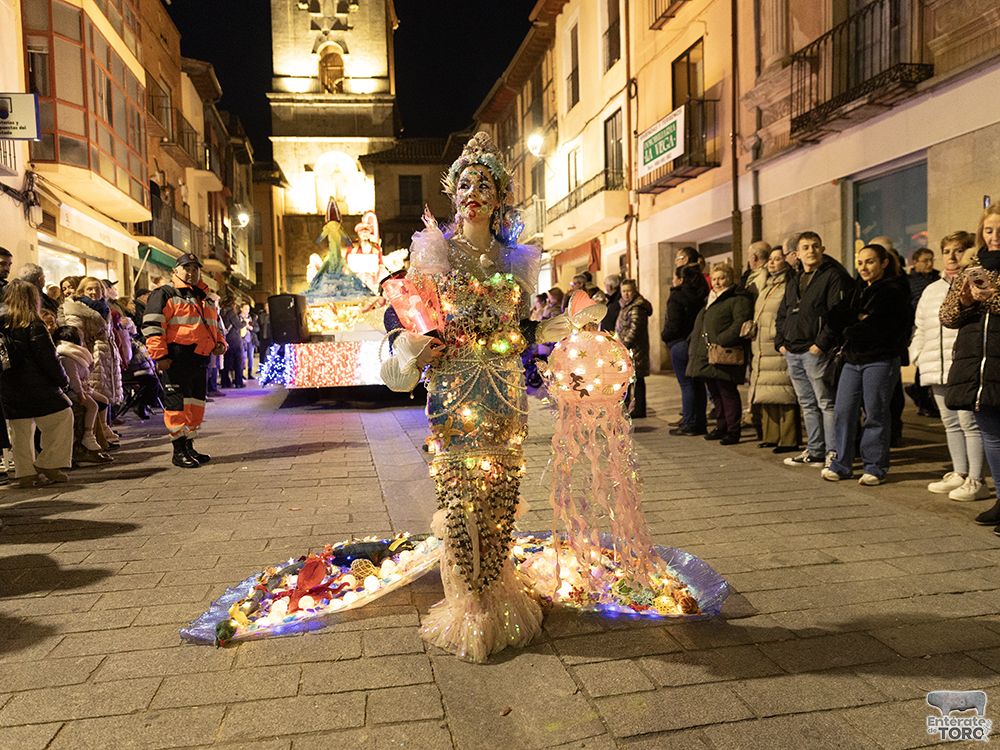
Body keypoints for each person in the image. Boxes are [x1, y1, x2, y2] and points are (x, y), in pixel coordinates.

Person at [380, 132, 544, 662]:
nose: (473, 194)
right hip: (453, 390)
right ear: (453, 195)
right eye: (465, 185)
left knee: (499, 495)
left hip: (504, 392)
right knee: (459, 497)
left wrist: (548, 337)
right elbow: (405, 313)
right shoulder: (435, 250)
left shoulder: (517, 258)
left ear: (500, 198)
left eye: (484, 185)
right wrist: (413, 344)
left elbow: (523, 326)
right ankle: (469, 601)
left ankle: (496, 590)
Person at [821, 244, 913, 485]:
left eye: (870, 262)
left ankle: (875, 467)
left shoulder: (895, 289)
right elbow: (834, 316)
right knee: (843, 411)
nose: (864, 267)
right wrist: (858, 319)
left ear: (884, 262)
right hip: (852, 359)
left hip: (881, 359)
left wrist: (853, 324)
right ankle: (842, 465)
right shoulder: (857, 289)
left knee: (875, 413)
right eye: (860, 263)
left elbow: (882, 327)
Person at [910, 231, 986, 501]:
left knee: (969, 423)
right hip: (935, 365)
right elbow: (920, 326)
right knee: (950, 423)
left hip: (963, 366)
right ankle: (959, 473)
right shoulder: (931, 290)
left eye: (958, 250)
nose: (952, 257)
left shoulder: (977, 281)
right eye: (946, 251)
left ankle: (977, 479)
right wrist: (918, 355)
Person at [941, 205, 1000, 532]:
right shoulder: (972, 267)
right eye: (989, 230)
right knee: (991, 435)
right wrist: (964, 302)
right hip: (977, 365)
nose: (994, 237)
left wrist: (991, 297)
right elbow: (947, 317)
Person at [775, 231, 853, 467]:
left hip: (814, 351)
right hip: (793, 351)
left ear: (822, 249)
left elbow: (836, 313)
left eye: (815, 246)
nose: (811, 251)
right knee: (807, 403)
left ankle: (832, 452)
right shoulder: (794, 280)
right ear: (797, 254)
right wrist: (781, 343)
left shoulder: (831, 276)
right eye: (806, 247)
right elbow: (783, 314)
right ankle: (815, 449)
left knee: (826, 402)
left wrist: (820, 344)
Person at [143, 253, 227, 468]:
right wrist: (160, 356)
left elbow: (214, 326)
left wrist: (219, 343)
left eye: (195, 268)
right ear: (176, 270)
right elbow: (153, 326)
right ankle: (178, 450)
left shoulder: (204, 296)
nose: (191, 272)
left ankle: (189, 446)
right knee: (177, 405)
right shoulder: (165, 293)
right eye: (186, 268)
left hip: (200, 358)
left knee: (195, 405)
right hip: (177, 358)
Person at [0, 280, 74, 488]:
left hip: (9, 386)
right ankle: (49, 463)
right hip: (38, 387)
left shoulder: (2, 326)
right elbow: (48, 358)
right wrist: (63, 380)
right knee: (63, 415)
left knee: (21, 431)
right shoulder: (34, 325)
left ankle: (25, 474)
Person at [687, 263, 752, 445]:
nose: (717, 282)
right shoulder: (711, 300)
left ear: (730, 279)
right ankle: (721, 426)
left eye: (721, 278)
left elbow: (740, 323)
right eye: (714, 279)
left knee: (727, 392)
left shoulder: (737, 299)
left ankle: (733, 430)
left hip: (725, 353)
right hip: (709, 354)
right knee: (715, 392)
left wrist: (721, 340)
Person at [60, 276, 123, 450]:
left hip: (106, 357)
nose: (94, 292)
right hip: (91, 357)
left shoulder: (103, 308)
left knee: (105, 395)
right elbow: (76, 336)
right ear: (82, 291)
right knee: (97, 393)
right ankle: (98, 435)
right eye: (89, 289)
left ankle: (103, 430)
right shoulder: (77, 309)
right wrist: (87, 354)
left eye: (97, 289)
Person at [747, 247, 800, 453]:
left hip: (778, 344)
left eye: (777, 259)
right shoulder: (767, 285)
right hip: (762, 345)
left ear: (786, 261)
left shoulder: (789, 284)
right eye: (770, 259)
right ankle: (771, 436)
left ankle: (788, 439)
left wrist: (781, 338)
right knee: (767, 392)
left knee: (784, 392)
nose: (771, 262)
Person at [53, 325, 112, 466]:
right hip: (75, 391)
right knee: (92, 406)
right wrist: (80, 393)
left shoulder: (78, 354)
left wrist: (90, 368)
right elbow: (73, 379)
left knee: (103, 400)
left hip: (84, 388)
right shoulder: (66, 357)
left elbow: (83, 374)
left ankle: (104, 430)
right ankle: (88, 435)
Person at [663, 264, 710, 435]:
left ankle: (689, 422)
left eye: (674, 277)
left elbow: (673, 324)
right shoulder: (702, 294)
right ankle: (700, 422)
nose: (673, 281)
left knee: (687, 384)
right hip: (697, 343)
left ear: (681, 279)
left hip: (680, 343)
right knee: (698, 383)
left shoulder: (677, 296)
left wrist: (665, 336)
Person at [615, 279, 653, 419]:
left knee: (637, 380)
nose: (626, 294)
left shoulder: (636, 307)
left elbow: (635, 329)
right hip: (629, 350)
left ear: (634, 291)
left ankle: (638, 409)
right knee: (630, 379)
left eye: (628, 291)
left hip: (635, 350)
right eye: (623, 291)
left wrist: (624, 344)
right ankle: (630, 406)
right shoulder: (626, 305)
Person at [219, 297, 244, 389]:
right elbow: (238, 325)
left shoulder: (222, 312)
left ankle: (225, 382)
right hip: (235, 340)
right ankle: (238, 382)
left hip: (226, 339)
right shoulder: (231, 313)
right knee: (238, 361)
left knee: (226, 361)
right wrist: (244, 323)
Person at [240, 302, 259, 380]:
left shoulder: (252, 318)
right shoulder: (238, 317)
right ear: (241, 309)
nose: (247, 311)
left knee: (250, 357)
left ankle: (249, 373)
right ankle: (241, 373)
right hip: (242, 339)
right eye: (245, 309)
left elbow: (257, 328)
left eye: (248, 309)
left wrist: (251, 328)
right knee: (243, 357)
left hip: (251, 339)